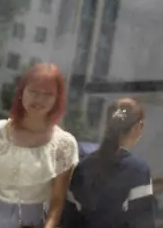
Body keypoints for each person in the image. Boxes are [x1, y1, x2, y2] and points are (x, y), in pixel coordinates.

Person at [0, 63, 79, 228]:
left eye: (48, 94)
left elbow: (57, 200)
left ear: (57, 99)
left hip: (32, 223)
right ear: (22, 93)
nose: (39, 99)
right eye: (34, 91)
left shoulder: (64, 144)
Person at [61, 98, 155, 228]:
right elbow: (142, 222)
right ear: (138, 127)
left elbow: (69, 219)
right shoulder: (138, 170)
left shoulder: (83, 166)